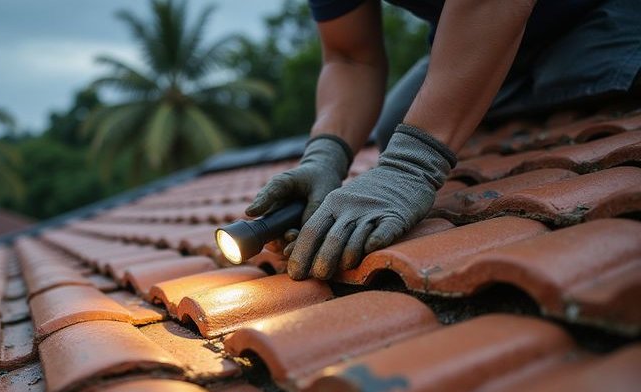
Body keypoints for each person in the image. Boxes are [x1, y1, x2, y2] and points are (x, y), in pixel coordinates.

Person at [246, 0, 641, 281]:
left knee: (599, 71)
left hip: (594, 13)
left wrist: (412, 162)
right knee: (394, 124)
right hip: (477, 35)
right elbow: (350, 57)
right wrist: (325, 154)